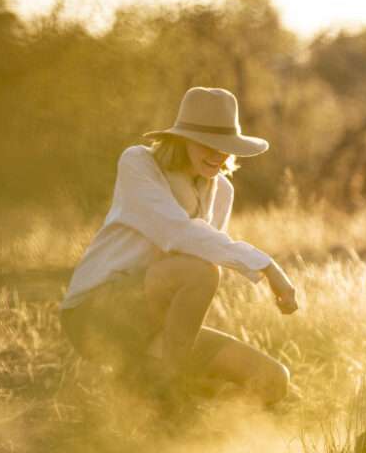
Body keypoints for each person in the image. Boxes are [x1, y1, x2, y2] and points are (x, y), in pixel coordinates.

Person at [60, 87, 298, 409]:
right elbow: (179, 234)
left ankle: (157, 388)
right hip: (96, 313)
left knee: (273, 379)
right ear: (182, 138)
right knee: (201, 272)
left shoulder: (222, 189)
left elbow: (205, 253)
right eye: (208, 144)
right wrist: (267, 267)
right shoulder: (138, 163)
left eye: (227, 147)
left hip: (161, 326)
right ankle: (168, 395)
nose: (219, 155)